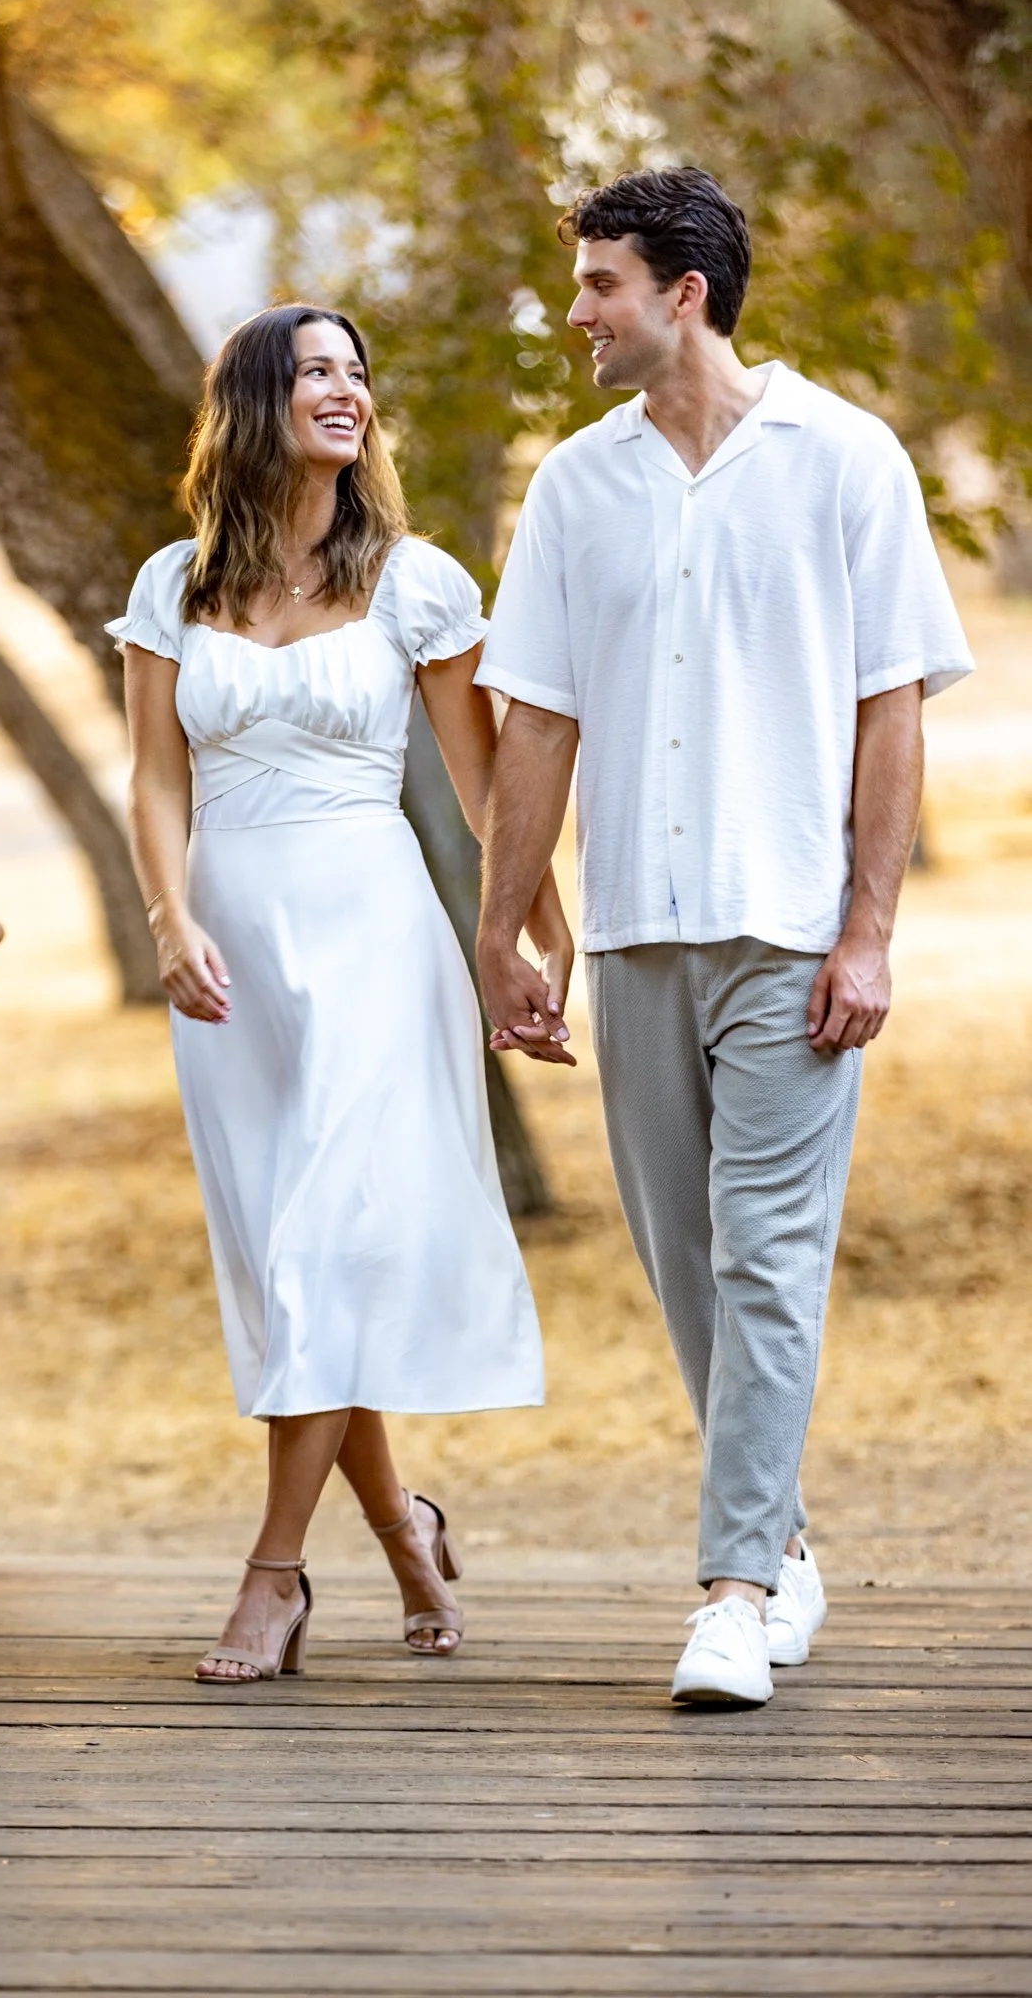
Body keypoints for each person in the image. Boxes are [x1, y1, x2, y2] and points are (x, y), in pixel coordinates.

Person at [474, 167, 974, 1706]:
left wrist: (868, 931)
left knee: (765, 1260)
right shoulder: (574, 486)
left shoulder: (845, 461)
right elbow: (536, 722)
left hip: (785, 932)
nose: (576, 314)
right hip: (633, 932)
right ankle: (784, 1539)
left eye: (599, 286)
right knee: (684, 1269)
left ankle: (733, 1593)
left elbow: (885, 708)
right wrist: (503, 930)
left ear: (682, 293)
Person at [110, 303, 569, 1684]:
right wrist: (168, 918)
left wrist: (537, 934)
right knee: (289, 1266)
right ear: (255, 401)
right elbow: (150, 778)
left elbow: (487, 788)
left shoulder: (416, 581)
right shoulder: (172, 585)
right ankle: (403, 1528)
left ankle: (270, 1580)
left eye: (356, 371)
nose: (345, 391)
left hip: (375, 937)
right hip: (233, 959)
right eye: (314, 370)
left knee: (323, 1248)